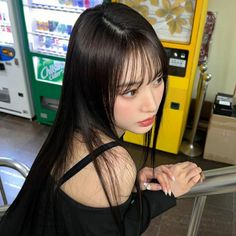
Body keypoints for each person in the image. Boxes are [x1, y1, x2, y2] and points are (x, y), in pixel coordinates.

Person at [0, 3, 203, 236]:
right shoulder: (113, 165)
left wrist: (135, 185)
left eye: (157, 79)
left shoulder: (71, 127)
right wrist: (164, 193)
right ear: (92, 86)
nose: (152, 104)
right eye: (130, 91)